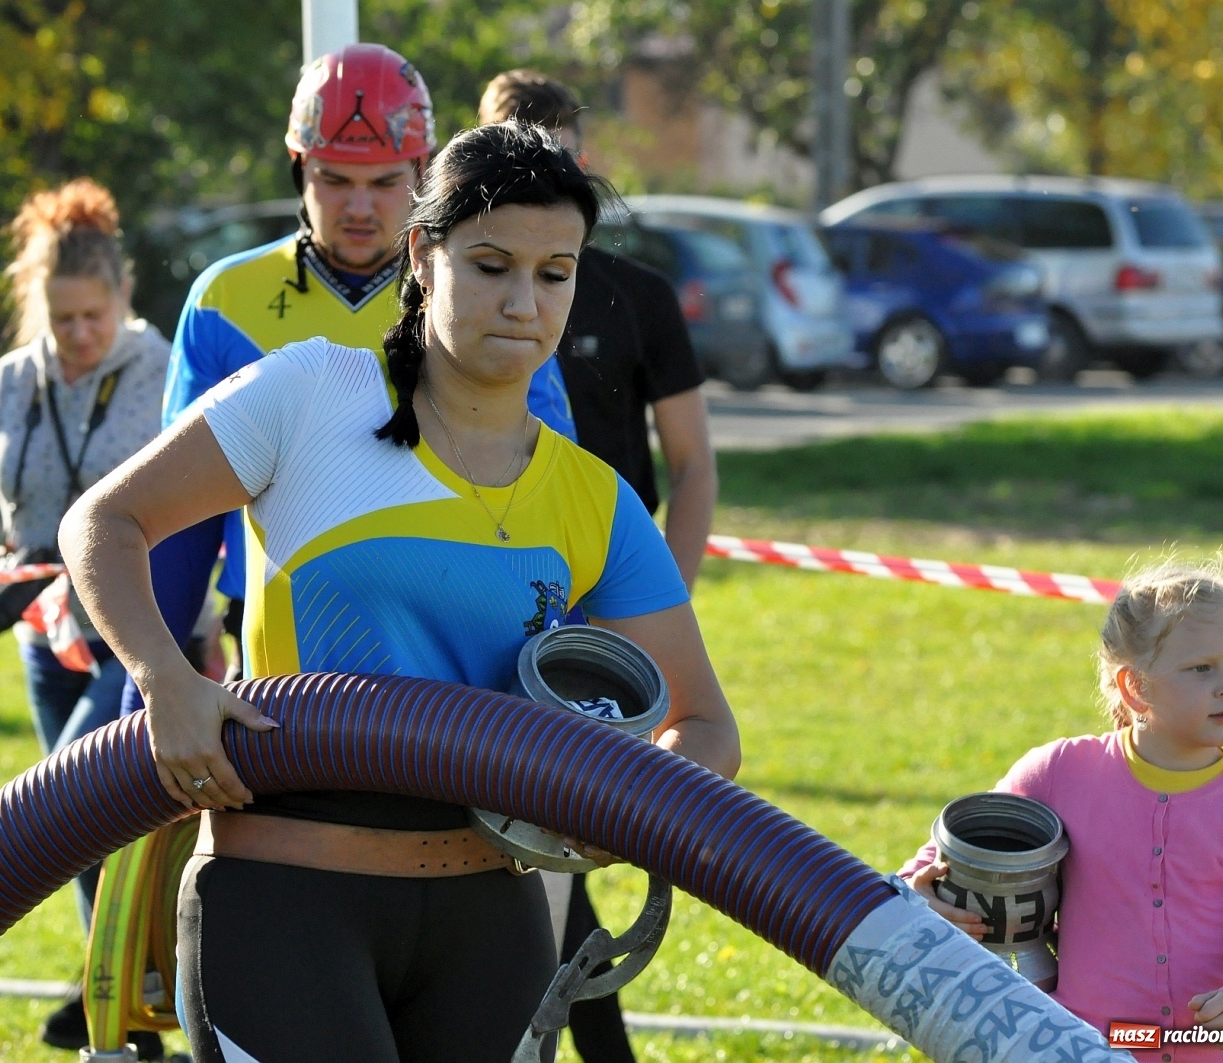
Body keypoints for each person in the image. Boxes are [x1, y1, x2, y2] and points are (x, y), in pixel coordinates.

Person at [60, 122, 741, 1063]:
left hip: (491, 916)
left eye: (556, 273)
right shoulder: (311, 393)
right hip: (285, 901)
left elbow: (705, 725)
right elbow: (102, 523)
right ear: (423, 254)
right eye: (492, 263)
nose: (523, 302)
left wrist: (621, 809)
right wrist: (164, 679)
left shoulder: (594, 498)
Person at [122, 44, 578, 707]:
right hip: (284, 652)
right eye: (335, 179)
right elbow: (177, 523)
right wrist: (148, 703)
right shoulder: (224, 300)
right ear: (298, 168)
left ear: (423, 172)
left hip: (462, 651)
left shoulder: (476, 292)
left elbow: (552, 495)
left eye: (386, 181)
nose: (359, 206)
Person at [479, 69, 720, 1063]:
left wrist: (660, 606)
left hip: (603, 601)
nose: (527, 297)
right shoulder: (453, 290)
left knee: (565, 845)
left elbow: (694, 465)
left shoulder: (635, 295)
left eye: (560, 152)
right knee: (514, 846)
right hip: (489, 593)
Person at [0, 178, 171, 1058]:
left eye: (92, 315)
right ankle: (114, 997)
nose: (78, 336)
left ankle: (147, 985)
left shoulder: (162, 370)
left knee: (70, 801)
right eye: (61, 319)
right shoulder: (9, 382)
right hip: (44, 635)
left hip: (134, 624)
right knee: (84, 836)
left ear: (123, 297)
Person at [900, 561, 1223, 1062]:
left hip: (1211, 1049)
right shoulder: (1059, 770)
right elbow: (936, 861)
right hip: (1079, 1045)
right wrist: (921, 893)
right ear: (1134, 687)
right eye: (1202, 667)